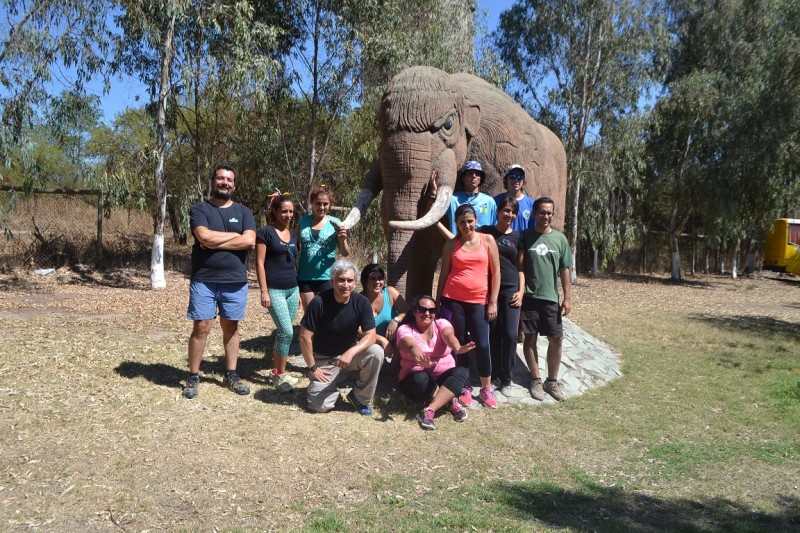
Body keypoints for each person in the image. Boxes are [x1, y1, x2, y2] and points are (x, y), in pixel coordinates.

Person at [183, 164, 256, 399]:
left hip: (235, 280)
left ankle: (231, 374)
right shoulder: (200, 209)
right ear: (213, 181)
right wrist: (236, 237)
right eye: (221, 178)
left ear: (234, 185)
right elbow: (202, 236)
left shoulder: (244, 212)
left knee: (231, 327)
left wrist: (217, 241)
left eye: (230, 180)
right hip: (204, 279)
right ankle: (193, 377)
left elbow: (249, 242)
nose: (225, 183)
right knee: (201, 326)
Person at [436, 203, 501, 408]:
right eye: (462, 222)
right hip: (453, 300)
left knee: (482, 344)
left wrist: (493, 301)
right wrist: (438, 301)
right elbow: (444, 274)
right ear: (456, 223)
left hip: (479, 301)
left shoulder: (487, 240)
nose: (467, 225)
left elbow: (496, 272)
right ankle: (464, 385)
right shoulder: (450, 245)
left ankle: (486, 389)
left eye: (470, 221)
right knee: (461, 344)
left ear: (476, 221)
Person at [299, 260, 383, 414]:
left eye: (350, 280)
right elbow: (304, 337)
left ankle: (359, 397)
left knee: (376, 351)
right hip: (324, 360)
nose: (346, 285)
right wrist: (312, 367)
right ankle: (329, 387)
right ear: (332, 281)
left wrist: (351, 352)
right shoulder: (319, 302)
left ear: (355, 282)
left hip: (348, 359)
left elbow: (370, 336)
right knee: (320, 407)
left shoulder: (361, 302)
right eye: (341, 280)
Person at [517, 196, 573, 402]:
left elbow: (565, 268)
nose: (546, 216)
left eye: (549, 213)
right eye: (542, 212)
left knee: (556, 338)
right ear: (534, 213)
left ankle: (552, 381)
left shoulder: (560, 239)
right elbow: (520, 266)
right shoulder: (525, 236)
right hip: (530, 297)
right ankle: (535, 379)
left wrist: (567, 298)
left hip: (550, 298)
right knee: (530, 338)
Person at [396, 296, 474, 430]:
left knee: (462, 372)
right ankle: (448, 400)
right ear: (414, 311)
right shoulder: (404, 329)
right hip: (415, 377)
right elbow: (411, 346)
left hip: (441, 377)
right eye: (422, 309)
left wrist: (457, 347)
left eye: (432, 310)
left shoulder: (441, 323)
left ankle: (430, 409)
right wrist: (421, 360)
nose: (427, 313)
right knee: (419, 377)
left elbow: (449, 335)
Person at [255, 192, 301, 392]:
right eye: (284, 211)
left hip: (292, 289)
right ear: (274, 211)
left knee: (284, 334)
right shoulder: (265, 233)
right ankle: (279, 376)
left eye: (291, 211)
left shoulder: (293, 235)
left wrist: (298, 291)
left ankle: (278, 371)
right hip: (274, 290)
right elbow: (259, 263)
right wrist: (264, 291)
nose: (288, 215)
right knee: (287, 332)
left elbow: (294, 264)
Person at [479, 197, 525, 396]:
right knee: (493, 333)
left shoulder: (518, 237)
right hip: (488, 290)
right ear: (497, 212)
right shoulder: (485, 232)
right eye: (506, 211)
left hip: (510, 290)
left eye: (513, 212)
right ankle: (495, 374)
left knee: (509, 334)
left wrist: (521, 291)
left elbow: (521, 268)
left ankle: (507, 378)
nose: (510, 215)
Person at [296, 185, 350, 311]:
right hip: (305, 277)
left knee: (326, 313)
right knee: (310, 314)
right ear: (312, 203)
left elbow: (345, 252)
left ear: (330, 204)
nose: (321, 207)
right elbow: (295, 247)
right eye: (318, 203)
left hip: (327, 277)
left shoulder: (335, 222)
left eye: (325, 204)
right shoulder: (303, 221)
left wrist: (342, 240)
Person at [359, 263, 408, 362]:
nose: (377, 282)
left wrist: (396, 320)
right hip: (369, 344)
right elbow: (358, 330)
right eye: (372, 279)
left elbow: (407, 311)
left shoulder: (390, 292)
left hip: (394, 344)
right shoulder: (358, 300)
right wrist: (381, 340)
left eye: (380, 278)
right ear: (365, 282)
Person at [443, 160, 497, 236]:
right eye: (470, 173)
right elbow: (436, 211)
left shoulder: (489, 202)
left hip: (483, 245)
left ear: (480, 179)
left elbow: (495, 227)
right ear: (463, 178)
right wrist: (433, 193)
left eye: (477, 174)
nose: (474, 176)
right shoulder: (453, 200)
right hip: (459, 245)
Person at [493, 164, 535, 231]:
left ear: (523, 181)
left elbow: (533, 228)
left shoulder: (531, 204)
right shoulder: (496, 201)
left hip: (522, 241)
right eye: (512, 177)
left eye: (520, 177)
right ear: (506, 179)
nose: (516, 180)